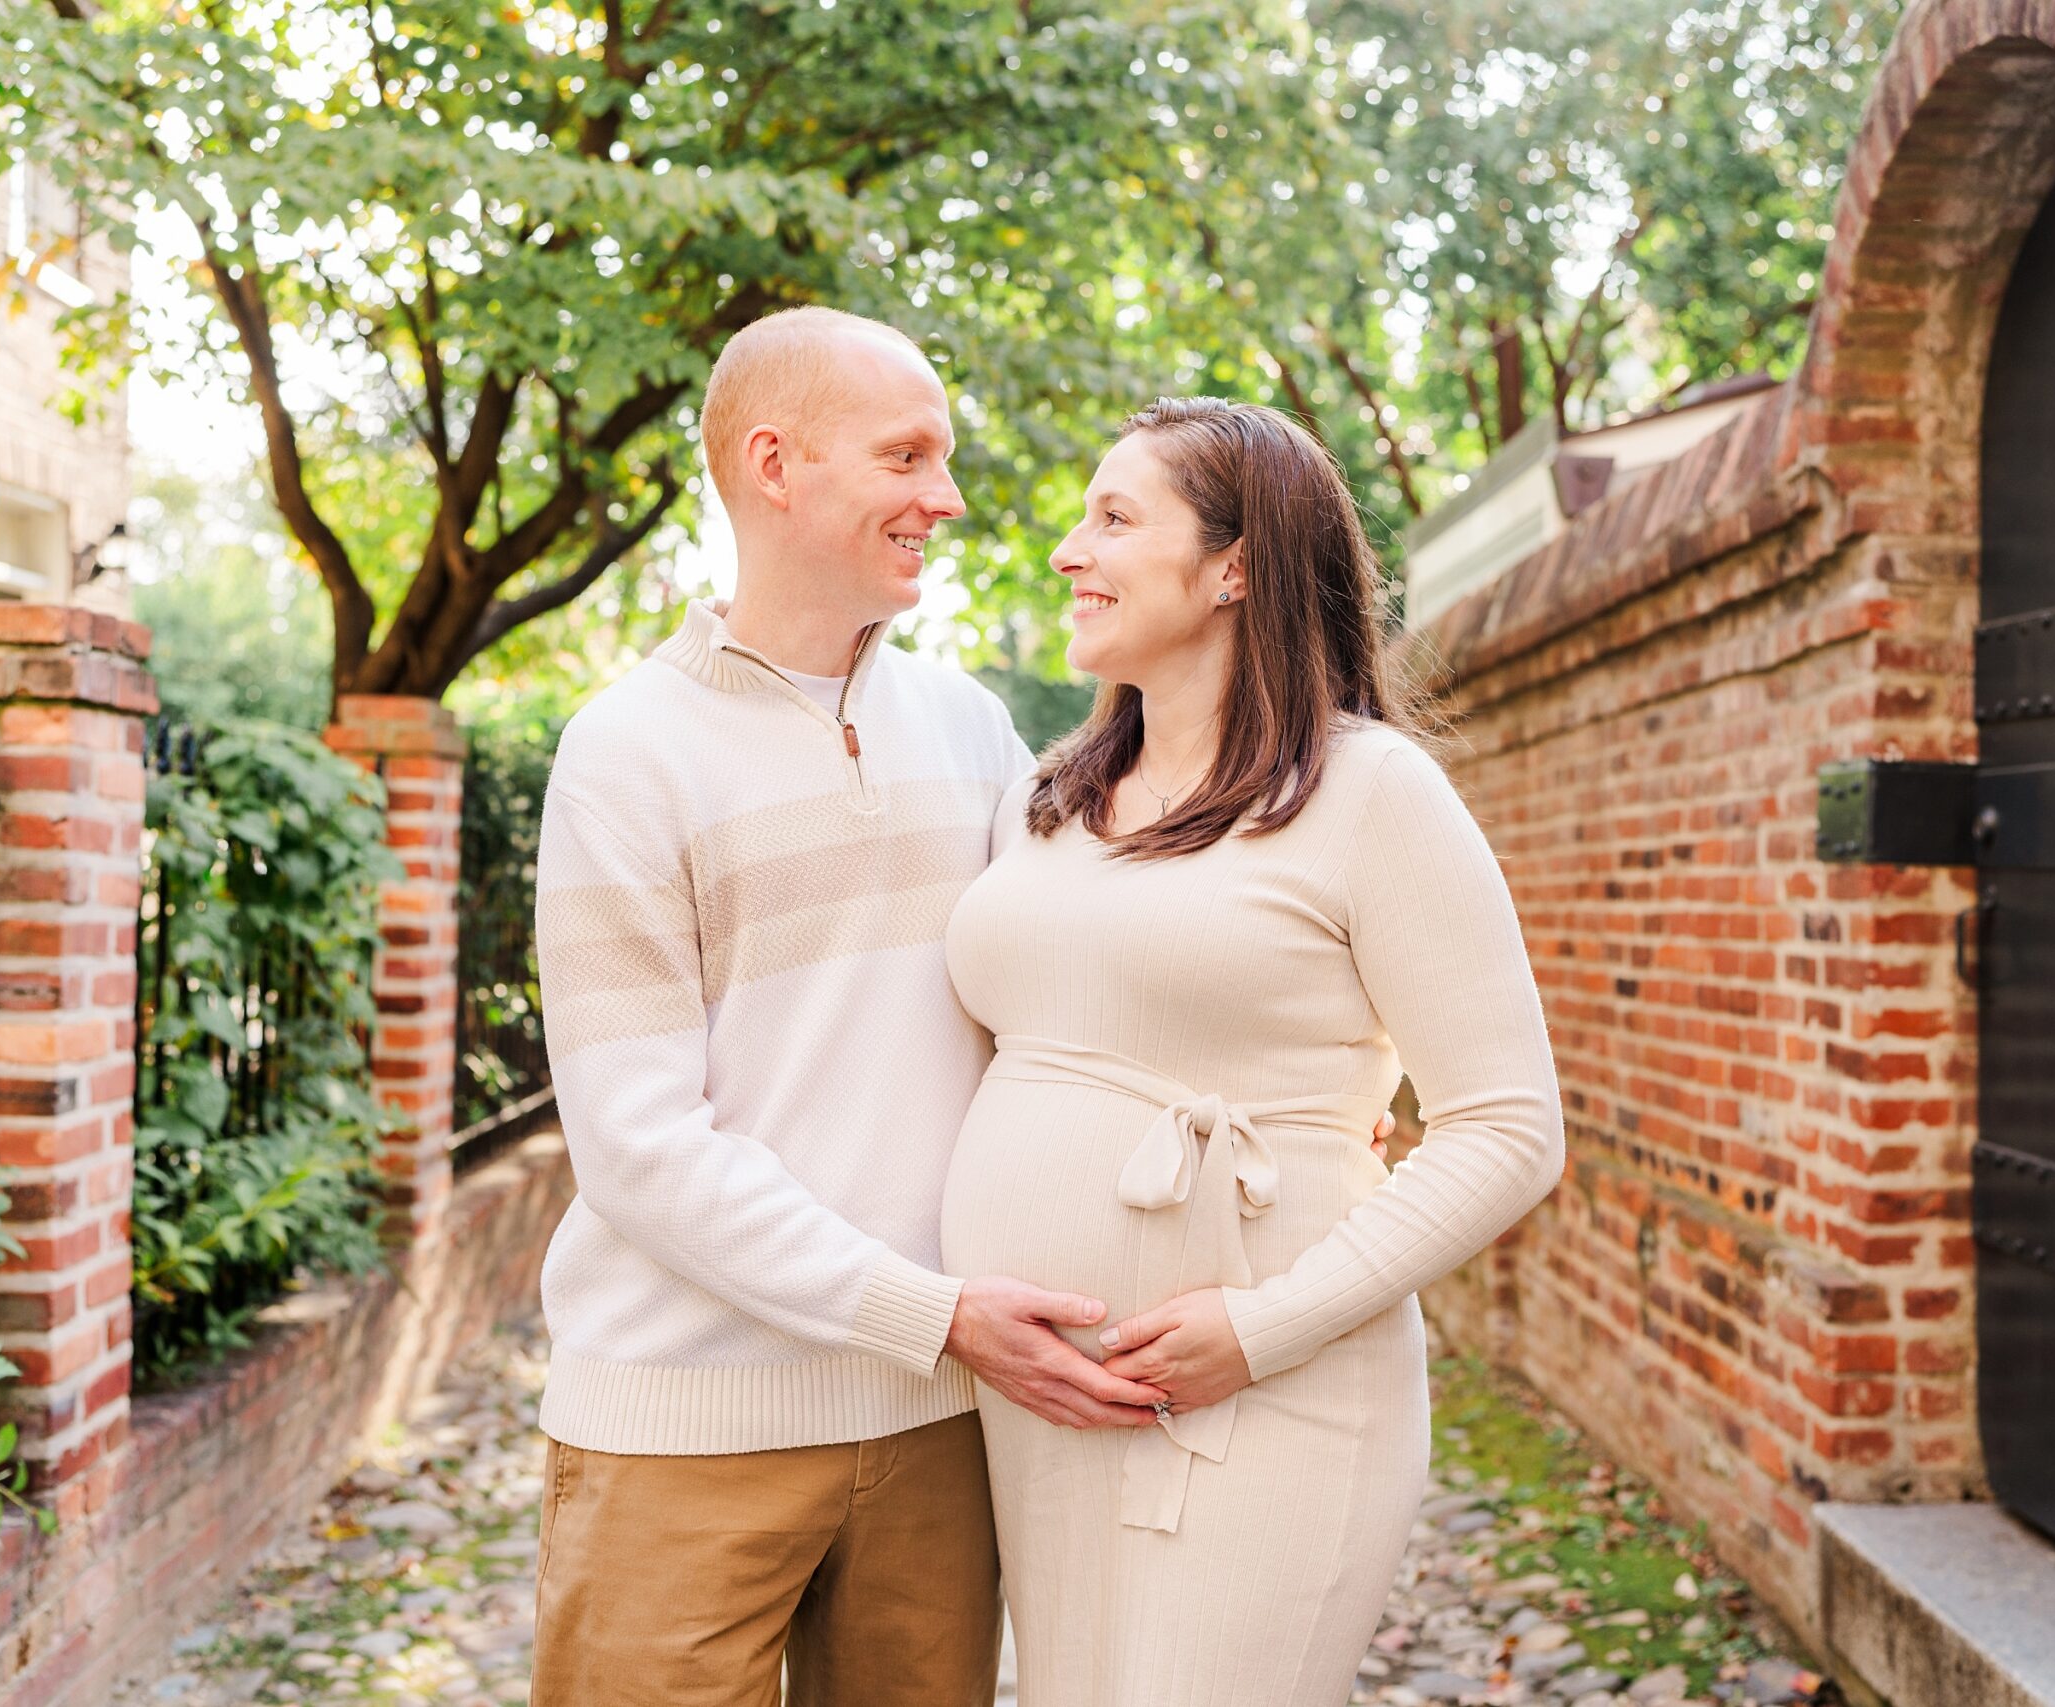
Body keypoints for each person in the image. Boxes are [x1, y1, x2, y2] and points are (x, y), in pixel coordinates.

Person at [527, 305, 1179, 1707]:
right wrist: (928, 1313)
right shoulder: (625, 756)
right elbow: (639, 1146)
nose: (944, 498)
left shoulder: (975, 732)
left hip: (947, 1423)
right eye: (907, 457)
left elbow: (1083, 993)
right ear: (777, 463)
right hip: (683, 1427)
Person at [939, 397, 1566, 1705]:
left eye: (1115, 518)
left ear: (1235, 567)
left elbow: (1508, 1128)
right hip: (1050, 1396)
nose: (1068, 550)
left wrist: (1264, 1328)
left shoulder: (1372, 795)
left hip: (1270, 1390)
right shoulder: (1044, 798)